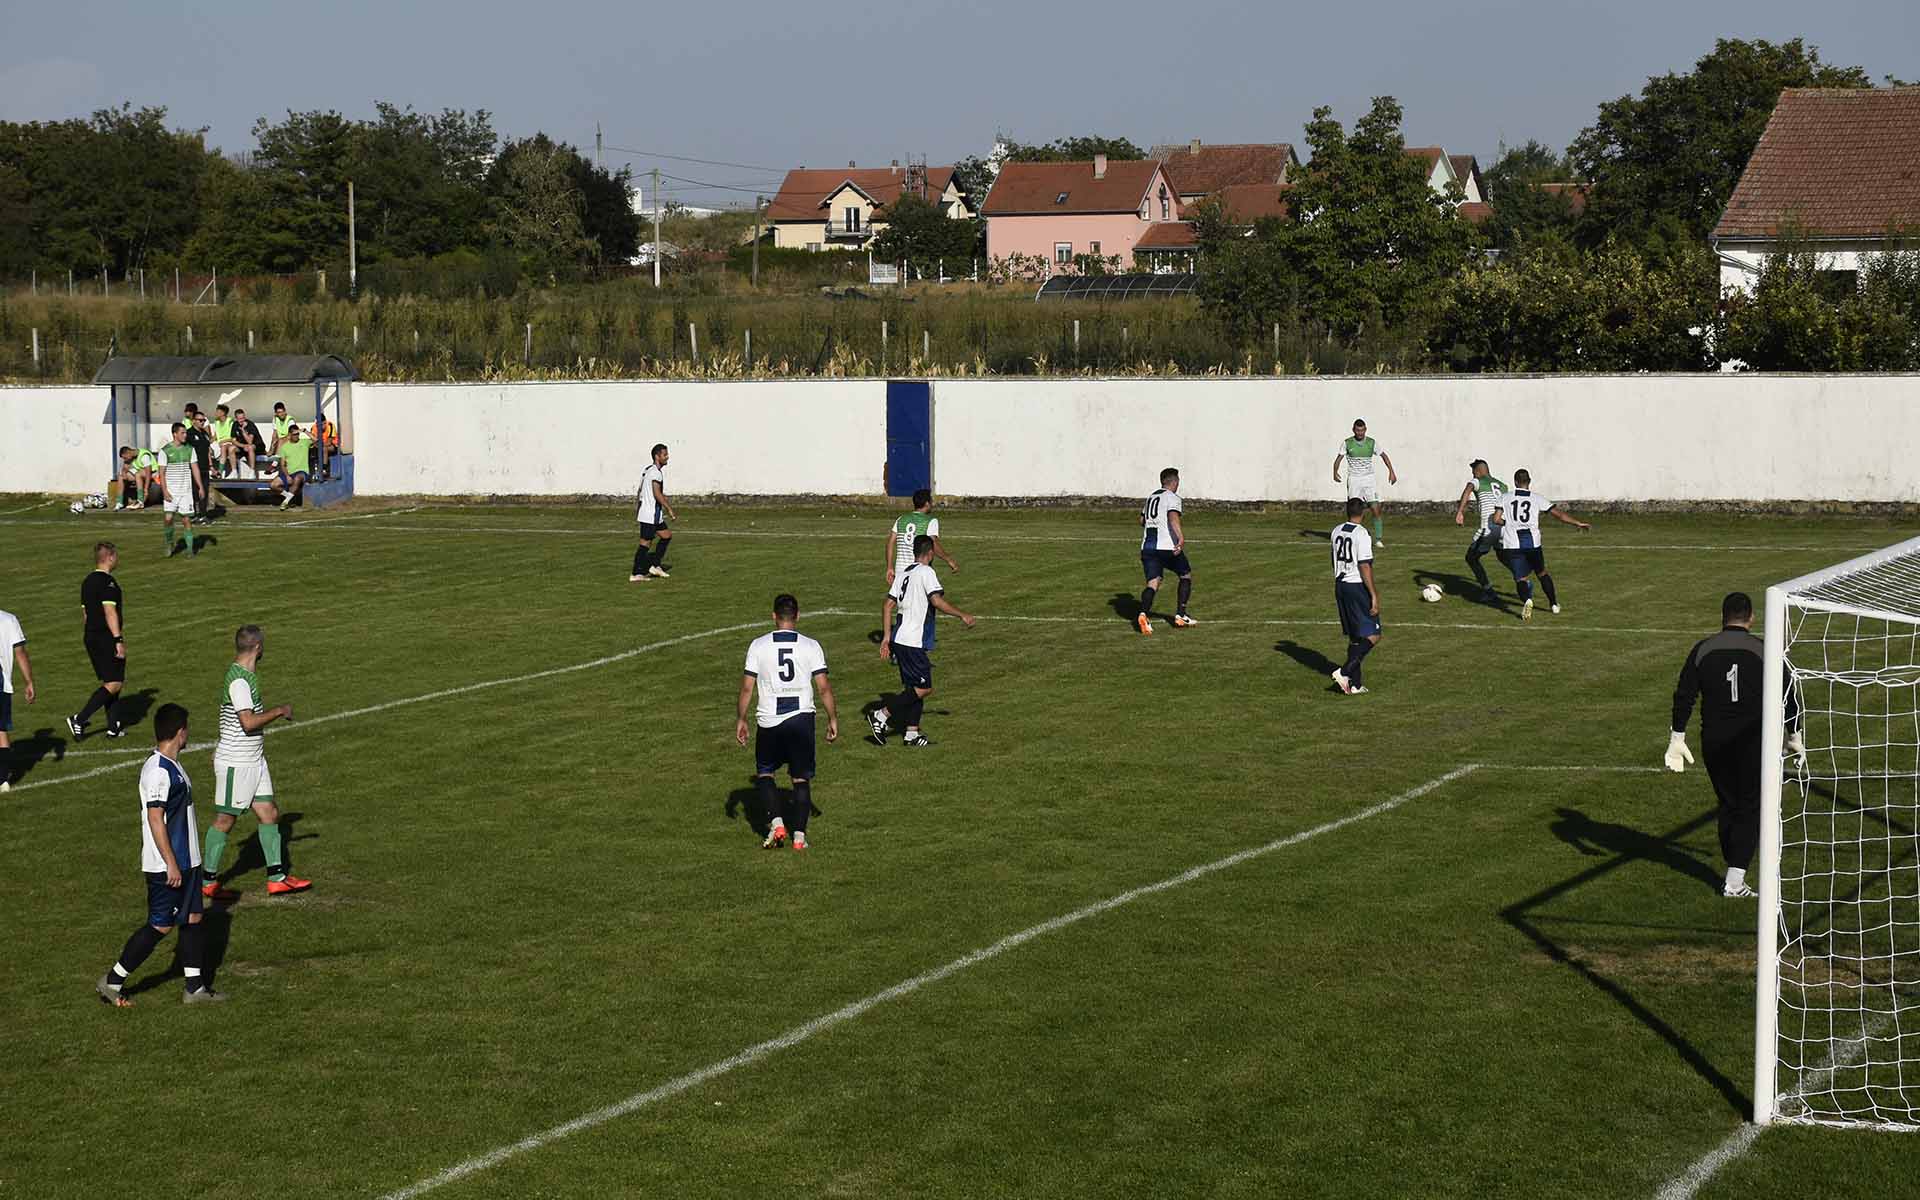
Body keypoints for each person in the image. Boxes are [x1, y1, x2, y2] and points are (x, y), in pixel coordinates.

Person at [1668, 592, 1805, 899]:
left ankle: (1734, 868)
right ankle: (1734, 880)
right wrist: (1794, 734)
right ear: (1751, 618)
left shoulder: (1703, 649)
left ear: (1723, 616)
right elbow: (1789, 695)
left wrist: (1677, 737)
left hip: (1713, 740)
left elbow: (1684, 695)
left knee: (1728, 802)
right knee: (1751, 805)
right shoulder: (1764, 649)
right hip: (1752, 740)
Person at [94, 703, 227, 1006]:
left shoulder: (172, 764)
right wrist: (171, 864)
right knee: (160, 924)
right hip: (168, 865)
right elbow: (156, 819)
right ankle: (112, 981)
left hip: (187, 861)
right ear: (180, 732)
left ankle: (194, 988)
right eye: (186, 730)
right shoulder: (158, 771)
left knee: (193, 918)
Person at [201, 625, 310, 898]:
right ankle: (207, 881)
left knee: (269, 813)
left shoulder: (246, 676)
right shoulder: (239, 681)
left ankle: (277, 878)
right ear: (258, 647)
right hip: (237, 762)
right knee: (226, 819)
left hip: (254, 760)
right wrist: (279, 710)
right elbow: (248, 722)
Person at [735, 594, 839, 851]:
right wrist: (832, 718)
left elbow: (747, 688)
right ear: (798, 615)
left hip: (769, 719)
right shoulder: (811, 646)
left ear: (774, 616)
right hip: (802, 718)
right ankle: (799, 838)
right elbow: (823, 687)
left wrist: (741, 719)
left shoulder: (758, 645)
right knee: (800, 778)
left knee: (765, 772)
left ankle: (777, 823)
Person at [871, 535, 975, 747]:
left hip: (900, 638)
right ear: (930, 553)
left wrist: (887, 637)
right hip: (912, 640)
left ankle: (911, 734)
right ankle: (881, 715)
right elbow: (936, 601)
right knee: (924, 688)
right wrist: (962, 614)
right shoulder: (927, 572)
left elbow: (887, 606)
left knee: (913, 687)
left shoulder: (904, 573)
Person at [1489, 468, 1590, 621]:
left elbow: (1496, 519)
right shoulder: (1536, 498)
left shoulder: (1505, 497)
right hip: (1532, 544)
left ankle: (1527, 601)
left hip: (1512, 544)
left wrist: (1509, 523)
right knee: (1542, 573)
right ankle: (1554, 604)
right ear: (1529, 481)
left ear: (1515, 482)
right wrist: (1577, 523)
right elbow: (1559, 515)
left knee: (1521, 578)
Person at [67, 542, 128, 740]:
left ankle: (113, 727)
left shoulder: (87, 581)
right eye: (116, 556)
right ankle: (79, 719)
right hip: (105, 636)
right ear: (110, 557)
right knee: (115, 682)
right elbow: (109, 611)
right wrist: (117, 639)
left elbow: (85, 613)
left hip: (91, 636)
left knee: (111, 680)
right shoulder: (108, 583)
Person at [1329, 497, 1381, 695]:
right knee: (1374, 634)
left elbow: (1333, 559)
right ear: (1364, 512)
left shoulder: (1336, 531)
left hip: (1340, 585)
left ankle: (1356, 684)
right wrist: (1373, 595)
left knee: (1355, 638)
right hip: (1356, 587)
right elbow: (1364, 566)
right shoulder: (1362, 534)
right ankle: (1344, 672)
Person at [1136, 466, 1197, 635]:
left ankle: (1143, 614)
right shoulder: (1172, 497)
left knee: (1153, 582)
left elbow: (1142, 520)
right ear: (1175, 482)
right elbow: (1172, 517)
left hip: (1148, 547)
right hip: (1166, 546)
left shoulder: (1151, 497)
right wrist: (1180, 537)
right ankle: (1181, 615)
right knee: (1185, 574)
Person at [1333, 418, 1397, 547]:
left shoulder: (1371, 443)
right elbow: (1338, 459)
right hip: (1354, 479)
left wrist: (1391, 471)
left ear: (1365, 430)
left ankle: (1378, 539)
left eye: (1362, 430)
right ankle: (1352, 536)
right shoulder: (1347, 443)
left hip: (1368, 479)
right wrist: (1335, 471)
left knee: (1375, 507)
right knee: (1353, 510)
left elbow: (1384, 456)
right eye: (1357, 430)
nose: (1360, 433)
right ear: (1353, 430)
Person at [1453, 458, 1510, 599]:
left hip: (1488, 529)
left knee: (1471, 558)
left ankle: (1489, 591)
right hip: (1503, 528)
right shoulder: (1503, 486)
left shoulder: (1477, 481)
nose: (1473, 474)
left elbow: (1467, 491)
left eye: (1473, 471)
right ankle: (1523, 578)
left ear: (1478, 471)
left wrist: (1460, 512)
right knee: (1502, 556)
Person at [887, 488, 957, 584]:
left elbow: (890, 543)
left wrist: (889, 567)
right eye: (931, 501)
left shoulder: (901, 519)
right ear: (927, 503)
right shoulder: (930, 521)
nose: (932, 504)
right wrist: (949, 560)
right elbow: (934, 545)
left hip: (900, 571)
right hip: (919, 570)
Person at [631, 443, 677, 581]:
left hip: (653, 515)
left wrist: (638, 509)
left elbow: (640, 491)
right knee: (645, 543)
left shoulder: (647, 470)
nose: (667, 457)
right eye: (665, 454)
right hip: (649, 515)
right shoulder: (655, 473)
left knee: (666, 536)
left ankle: (655, 565)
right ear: (657, 456)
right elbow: (657, 493)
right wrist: (669, 508)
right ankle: (636, 573)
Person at [0, 606, 31, 793]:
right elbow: (20, 653)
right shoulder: (8, 619)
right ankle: (3, 779)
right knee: (1, 729)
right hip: (2, 683)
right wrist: (29, 682)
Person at [159, 422, 202, 555]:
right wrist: (164, 491)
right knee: (168, 519)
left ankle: (190, 549)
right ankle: (169, 543)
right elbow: (161, 473)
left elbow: (195, 468)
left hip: (185, 492)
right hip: (171, 491)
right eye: (182, 433)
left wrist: (200, 486)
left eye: (185, 433)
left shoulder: (190, 449)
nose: (185, 435)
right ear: (175, 434)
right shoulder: (165, 451)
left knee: (186, 520)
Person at [270, 423, 312, 510]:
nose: (296, 436)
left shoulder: (305, 442)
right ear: (290, 435)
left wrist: (305, 431)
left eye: (297, 434)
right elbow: (282, 464)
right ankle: (289, 497)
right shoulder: (285, 447)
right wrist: (287, 476)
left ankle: (285, 502)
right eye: (294, 434)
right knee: (273, 485)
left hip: (302, 471)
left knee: (297, 478)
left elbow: (316, 440)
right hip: (289, 472)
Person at [183, 409, 215, 519]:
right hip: (194, 468)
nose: (202, 422)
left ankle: (203, 514)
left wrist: (211, 466)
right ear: (194, 421)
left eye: (203, 420)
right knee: (194, 492)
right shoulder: (189, 434)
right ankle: (193, 514)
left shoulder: (204, 433)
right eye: (200, 420)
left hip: (204, 467)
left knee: (204, 491)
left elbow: (207, 450)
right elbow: (185, 451)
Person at [113, 445, 158, 509]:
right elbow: (124, 468)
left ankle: (140, 501)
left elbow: (148, 473)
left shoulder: (144, 456)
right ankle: (119, 502)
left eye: (125, 458)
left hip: (153, 473)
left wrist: (146, 489)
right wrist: (123, 473)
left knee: (138, 474)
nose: (125, 460)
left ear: (128, 453)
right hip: (140, 473)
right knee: (121, 477)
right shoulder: (130, 457)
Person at [230, 409, 265, 474]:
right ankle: (234, 472)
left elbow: (250, 441)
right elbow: (233, 441)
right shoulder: (235, 424)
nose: (242, 420)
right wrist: (243, 446)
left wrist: (243, 430)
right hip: (244, 446)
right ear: (236, 418)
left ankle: (252, 472)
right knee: (231, 448)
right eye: (240, 419)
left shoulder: (250, 424)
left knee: (250, 447)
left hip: (257, 445)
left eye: (243, 418)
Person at [211, 404, 238, 478]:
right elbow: (216, 435)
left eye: (217, 411)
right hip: (220, 443)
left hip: (230, 442)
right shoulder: (216, 422)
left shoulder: (230, 421)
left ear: (223, 413)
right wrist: (209, 441)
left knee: (223, 448)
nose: (215, 413)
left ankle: (219, 472)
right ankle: (212, 471)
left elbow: (233, 437)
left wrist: (223, 442)